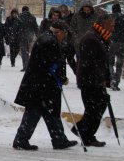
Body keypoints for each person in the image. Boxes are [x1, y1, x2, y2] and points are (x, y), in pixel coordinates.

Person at [12, 21, 78, 151]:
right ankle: (21, 140)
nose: (64, 38)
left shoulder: (46, 38)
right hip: (41, 85)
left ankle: (59, 139)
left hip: (41, 84)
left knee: (50, 112)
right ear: (59, 32)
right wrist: (62, 78)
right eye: (64, 34)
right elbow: (51, 63)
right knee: (35, 112)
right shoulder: (49, 41)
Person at [73, 14, 115, 147]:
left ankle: (85, 133)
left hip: (94, 79)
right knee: (94, 108)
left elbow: (101, 61)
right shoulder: (91, 38)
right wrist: (100, 78)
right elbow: (90, 62)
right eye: (111, 24)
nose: (114, 26)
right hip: (89, 80)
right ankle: (85, 134)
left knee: (97, 106)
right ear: (103, 24)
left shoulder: (100, 37)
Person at [108, 3, 124, 91]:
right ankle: (116, 82)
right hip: (122, 43)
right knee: (119, 63)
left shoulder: (110, 18)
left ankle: (112, 77)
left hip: (112, 42)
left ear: (113, 10)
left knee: (110, 62)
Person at [18, 6, 38, 72]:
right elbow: (36, 27)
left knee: (24, 52)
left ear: (22, 10)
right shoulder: (32, 17)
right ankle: (30, 66)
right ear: (28, 10)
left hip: (22, 37)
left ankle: (26, 66)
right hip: (30, 37)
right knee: (29, 51)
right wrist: (37, 35)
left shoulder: (20, 17)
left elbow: (16, 28)